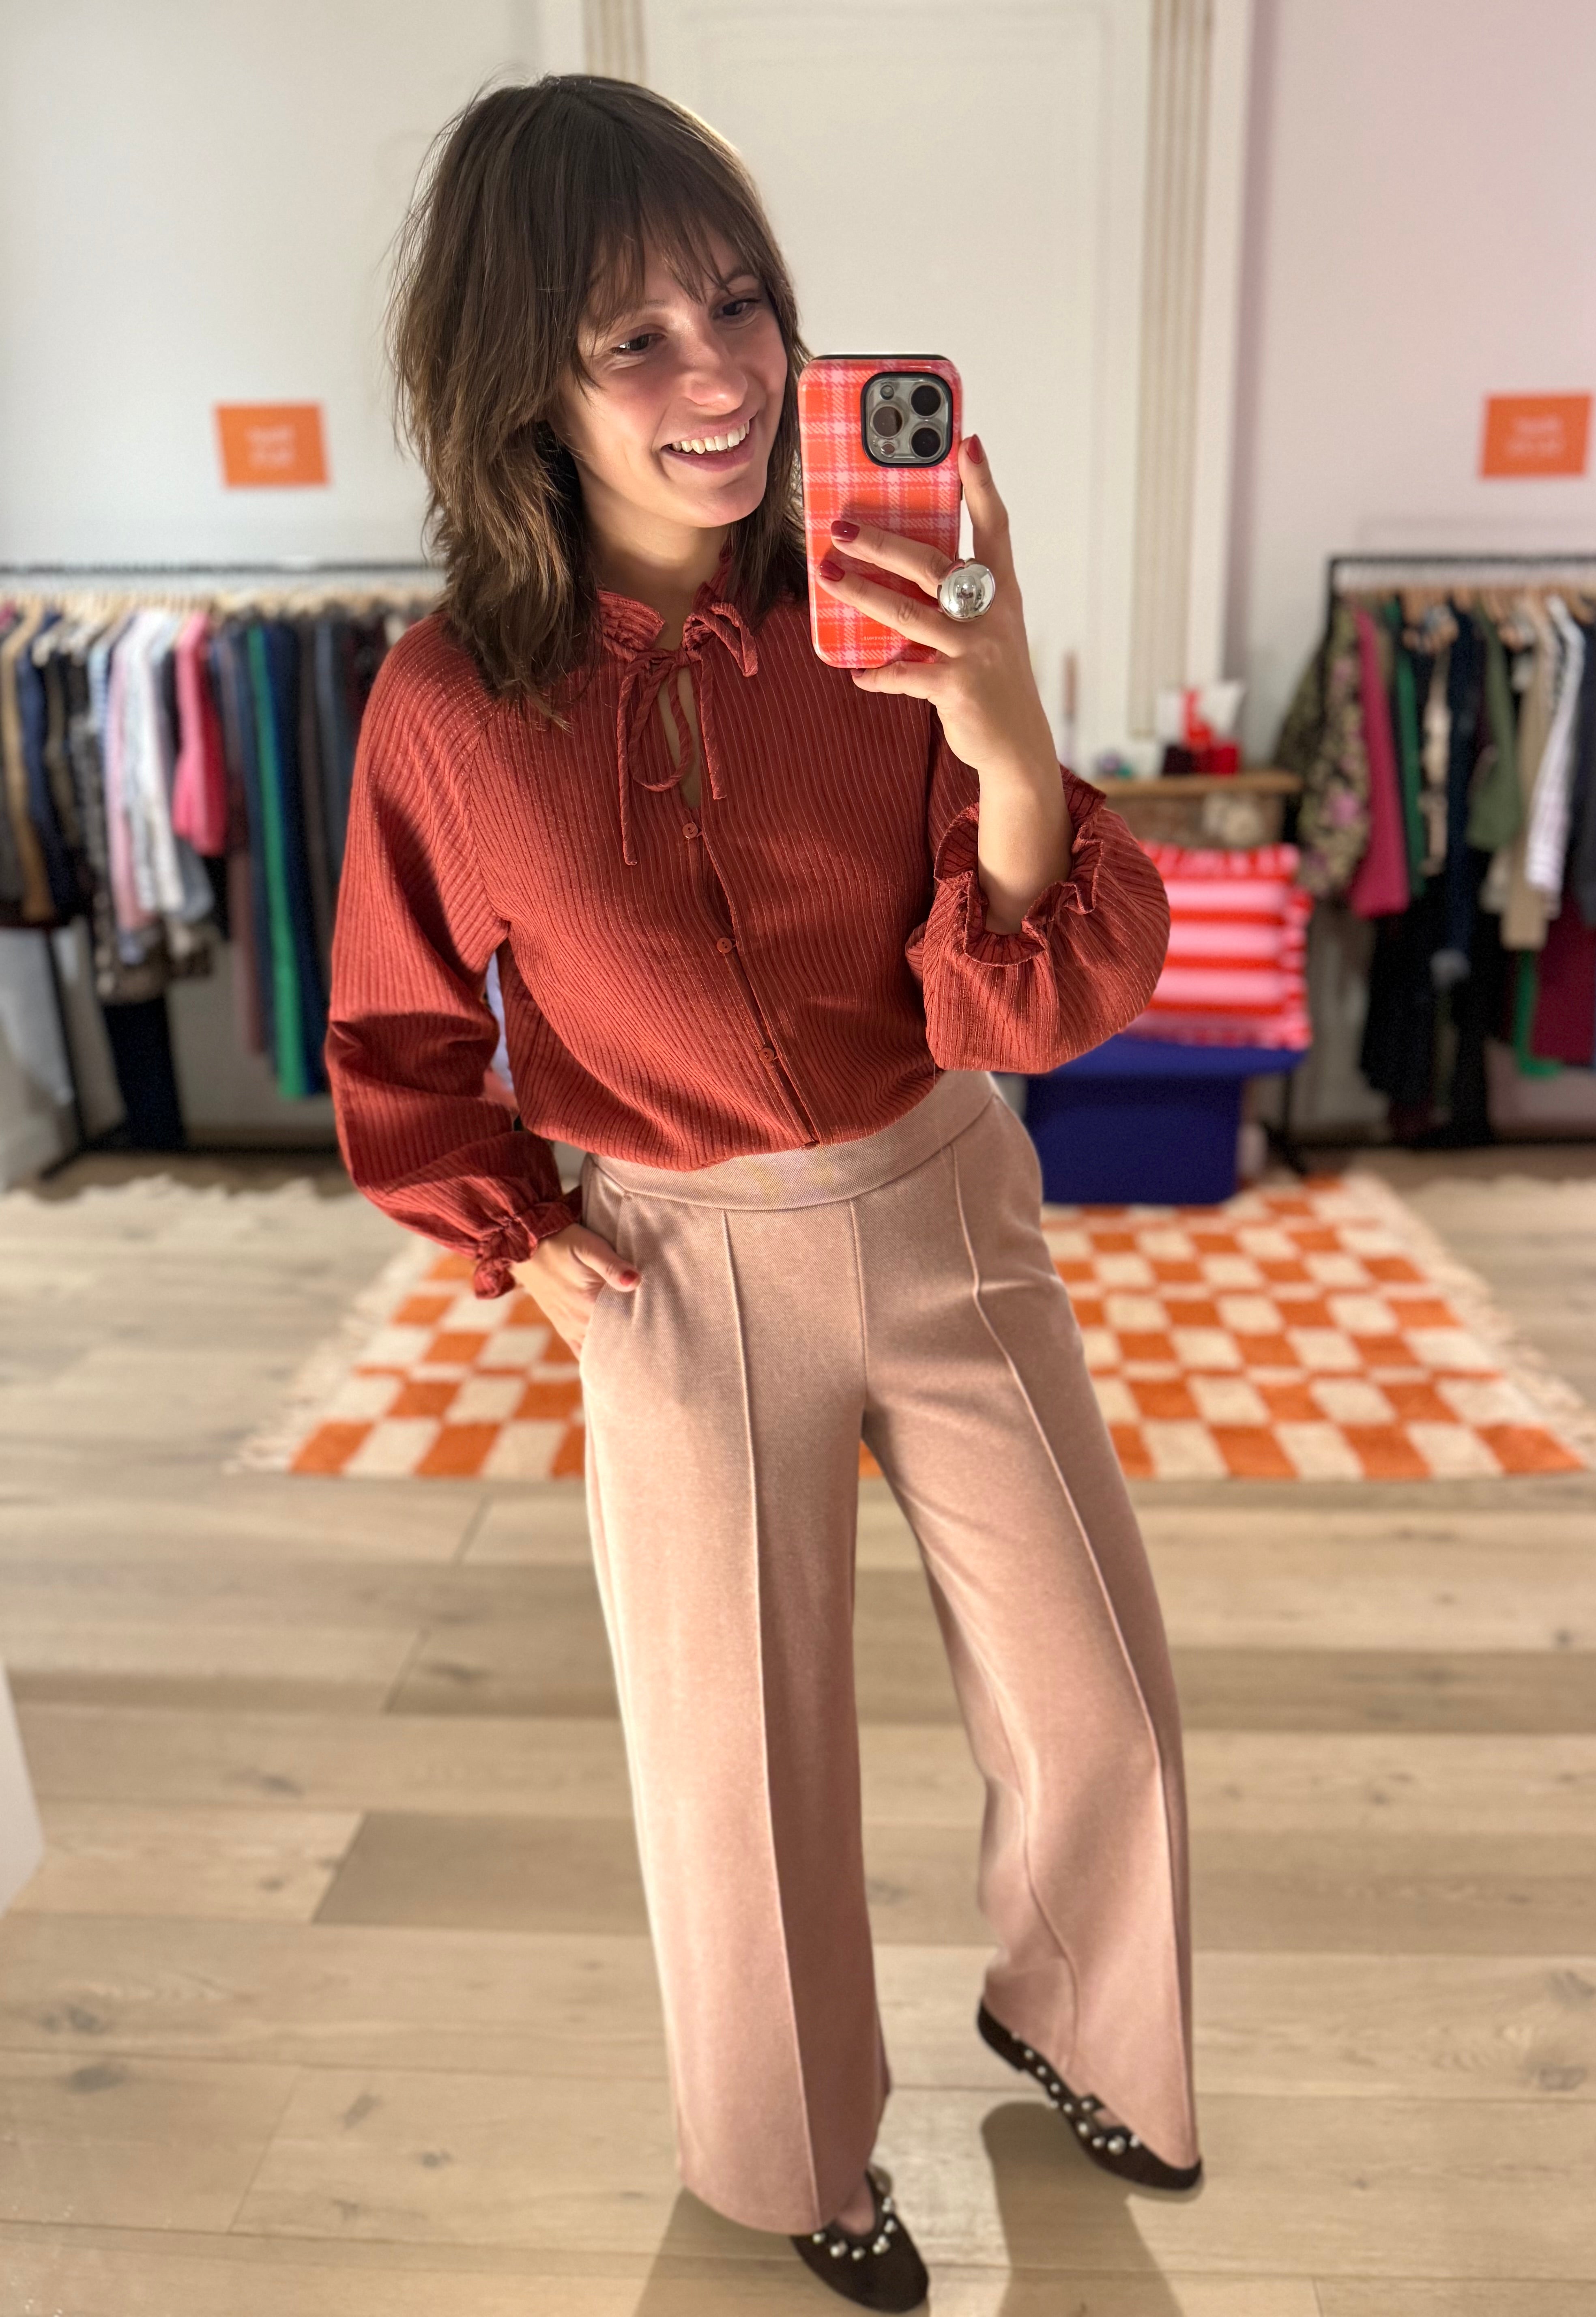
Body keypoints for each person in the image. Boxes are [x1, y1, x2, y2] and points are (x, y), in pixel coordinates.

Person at [326, 73, 1199, 2313]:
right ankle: (801, 2155)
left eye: (741, 303)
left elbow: (1024, 993)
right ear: (520, 383)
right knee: (743, 1772)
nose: (719, 375)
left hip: (944, 1197)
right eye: (634, 337)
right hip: (675, 1265)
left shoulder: (883, 603)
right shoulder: (447, 710)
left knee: (1100, 1691)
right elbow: (401, 1045)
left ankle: (1081, 2017)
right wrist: (542, 1264)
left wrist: (1003, 710)